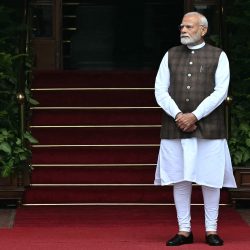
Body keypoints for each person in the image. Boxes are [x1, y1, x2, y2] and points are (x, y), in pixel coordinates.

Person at [154, 12, 237, 246]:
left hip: (210, 128)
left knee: (211, 180)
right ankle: (184, 230)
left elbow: (220, 92)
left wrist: (195, 115)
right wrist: (179, 115)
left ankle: (211, 230)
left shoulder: (218, 55)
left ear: (203, 30)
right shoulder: (170, 55)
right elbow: (160, 90)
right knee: (180, 179)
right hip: (175, 126)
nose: (183, 30)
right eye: (181, 26)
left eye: (189, 26)